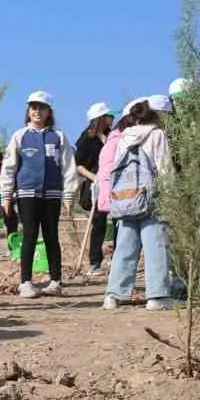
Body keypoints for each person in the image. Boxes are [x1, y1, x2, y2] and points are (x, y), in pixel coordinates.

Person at [0, 90, 75, 298]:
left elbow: (68, 167)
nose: (37, 111)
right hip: (27, 193)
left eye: (41, 107)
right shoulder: (20, 136)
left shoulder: (58, 137)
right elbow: (8, 167)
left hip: (52, 194)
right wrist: (6, 195)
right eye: (33, 107)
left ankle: (56, 281)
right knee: (30, 235)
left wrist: (68, 196)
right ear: (28, 111)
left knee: (51, 236)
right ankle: (25, 281)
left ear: (49, 111)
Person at [103, 97, 176, 311]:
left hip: (126, 198)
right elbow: (165, 169)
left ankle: (113, 295)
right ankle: (157, 296)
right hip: (151, 198)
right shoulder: (157, 135)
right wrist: (172, 197)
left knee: (125, 247)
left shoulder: (125, 136)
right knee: (155, 247)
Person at [74, 102, 116, 276]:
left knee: (120, 220)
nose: (112, 118)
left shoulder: (112, 135)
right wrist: (95, 178)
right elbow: (78, 165)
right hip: (95, 184)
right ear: (100, 118)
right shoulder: (86, 139)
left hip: (115, 183)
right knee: (98, 222)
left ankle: (117, 258)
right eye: (109, 116)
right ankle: (95, 262)